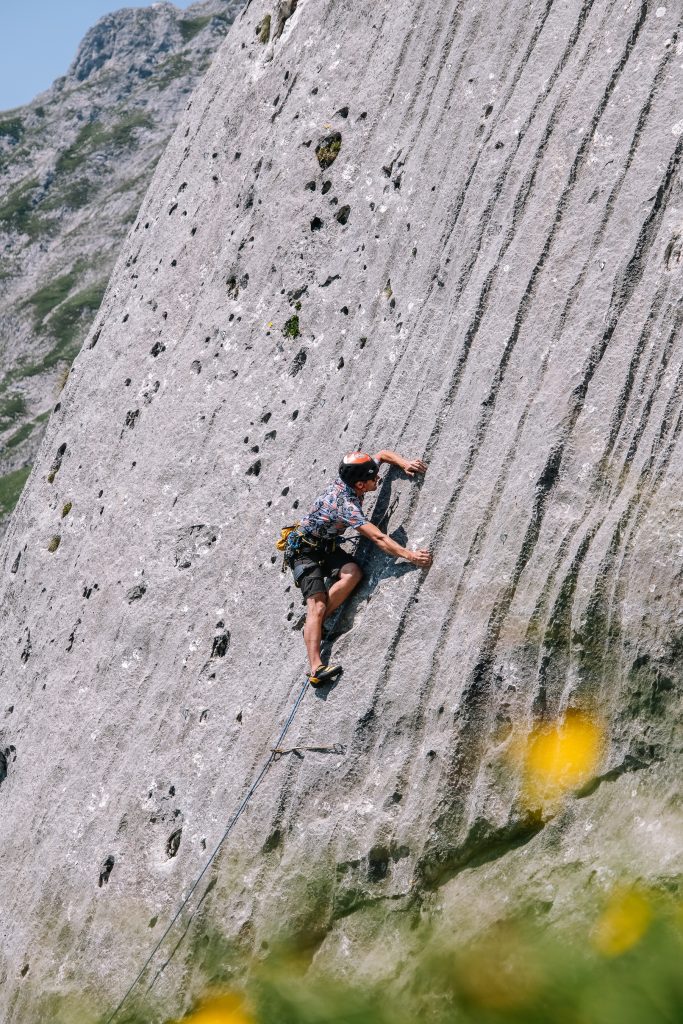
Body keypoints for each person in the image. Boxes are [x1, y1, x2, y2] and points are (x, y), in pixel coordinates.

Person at [284, 450, 432, 686]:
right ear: (361, 484)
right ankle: (316, 668)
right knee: (317, 604)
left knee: (353, 573)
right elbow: (379, 538)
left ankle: (316, 624)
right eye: (374, 480)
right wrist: (411, 556)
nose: (378, 480)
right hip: (304, 552)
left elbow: (382, 455)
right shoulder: (346, 506)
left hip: (325, 545)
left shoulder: (354, 479)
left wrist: (404, 464)